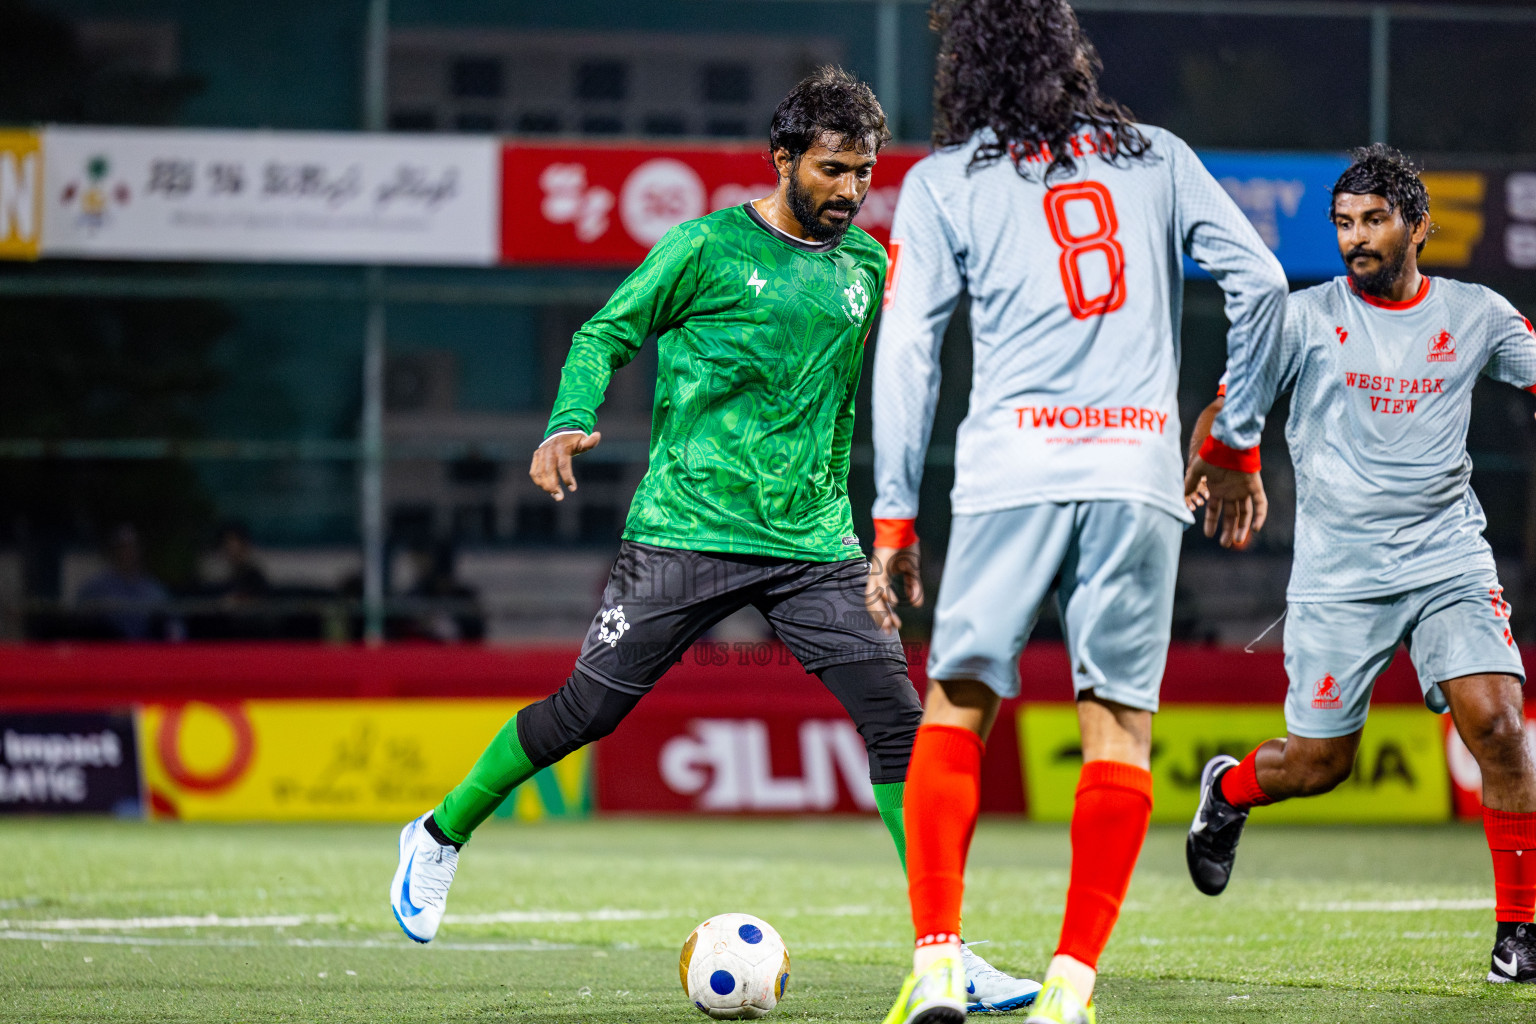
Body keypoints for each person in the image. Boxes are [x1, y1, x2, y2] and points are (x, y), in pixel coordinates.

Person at [388, 66, 1036, 1008]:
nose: (853, 190)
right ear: (782, 160)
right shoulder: (702, 248)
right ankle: (439, 834)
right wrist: (567, 418)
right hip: (684, 529)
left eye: (864, 170)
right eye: (832, 169)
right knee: (587, 713)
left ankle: (944, 952)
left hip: (815, 544)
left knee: (902, 727)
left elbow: (906, 372)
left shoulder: (869, 266)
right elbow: (605, 334)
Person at [867, 2, 1287, 1021]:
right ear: (1073, 59)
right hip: (1136, 466)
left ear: (964, 67)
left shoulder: (941, 184)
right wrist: (1232, 437)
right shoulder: (1159, 160)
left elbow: (909, 353)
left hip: (1010, 465)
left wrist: (892, 517)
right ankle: (1070, 984)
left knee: (957, 704)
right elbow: (1265, 285)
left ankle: (935, 963)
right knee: (1118, 728)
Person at [1184, 143, 1536, 986]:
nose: (1355, 238)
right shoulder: (1303, 318)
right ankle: (1228, 795)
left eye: (1373, 220)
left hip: (1447, 555)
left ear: (1418, 225)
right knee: (1317, 767)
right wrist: (1219, 455)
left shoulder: (1475, 313)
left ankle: (1519, 933)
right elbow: (1226, 412)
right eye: (1343, 223)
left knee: (1500, 726)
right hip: (1340, 577)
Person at [74, 523, 181, 641]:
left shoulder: (154, 589)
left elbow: (174, 627)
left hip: (145, 653)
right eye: (122, 547)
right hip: (108, 652)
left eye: (132, 547)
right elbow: (78, 624)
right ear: (113, 551)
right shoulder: (95, 588)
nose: (127, 553)